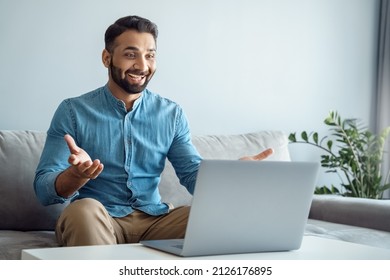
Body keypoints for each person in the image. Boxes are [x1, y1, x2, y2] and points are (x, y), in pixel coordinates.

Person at [34, 15, 273, 247]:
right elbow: (44, 190)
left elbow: (192, 175)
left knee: (214, 218)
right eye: (130, 55)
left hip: (155, 221)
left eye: (150, 55)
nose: (142, 65)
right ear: (107, 58)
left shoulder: (171, 114)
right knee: (84, 210)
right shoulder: (73, 111)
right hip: (98, 218)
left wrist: (234, 175)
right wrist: (76, 175)